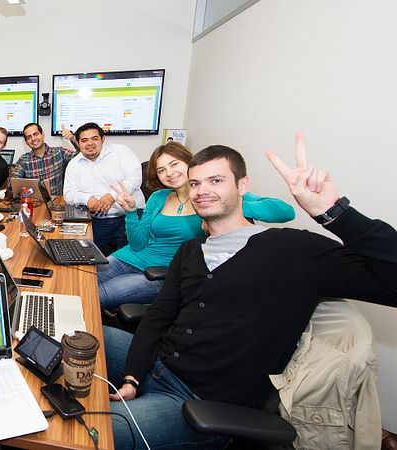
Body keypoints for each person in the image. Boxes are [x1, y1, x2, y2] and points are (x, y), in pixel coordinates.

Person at [102, 136, 397, 449]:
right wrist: (133, 376)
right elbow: (160, 315)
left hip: (199, 405)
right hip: (157, 366)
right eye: (196, 183)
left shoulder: (293, 249)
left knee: (88, 429)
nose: (202, 191)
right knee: (67, 333)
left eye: (216, 180)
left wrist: (334, 213)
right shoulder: (190, 251)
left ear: (242, 186)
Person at [97, 141, 295, 309]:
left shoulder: (212, 197)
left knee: (96, 295)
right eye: (161, 170)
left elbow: (285, 212)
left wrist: (233, 204)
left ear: (189, 163)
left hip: (162, 274)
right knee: (80, 281)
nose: (169, 173)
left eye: (174, 164)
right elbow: (138, 244)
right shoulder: (158, 197)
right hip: (129, 256)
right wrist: (131, 212)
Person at [63, 122, 146, 253]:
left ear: (103, 139)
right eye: (84, 140)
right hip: (97, 220)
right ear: (78, 144)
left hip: (130, 216)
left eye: (94, 138)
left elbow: (135, 178)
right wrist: (86, 199)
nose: (90, 143)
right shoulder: (74, 164)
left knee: (134, 257)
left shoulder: (121, 152)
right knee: (83, 255)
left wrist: (112, 196)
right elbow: (68, 193)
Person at [10, 122, 78, 196]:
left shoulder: (59, 152)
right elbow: (12, 182)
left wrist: (73, 138)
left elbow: (82, 155)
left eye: (35, 134)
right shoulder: (24, 160)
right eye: (29, 137)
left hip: (57, 203)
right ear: (26, 142)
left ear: (43, 134)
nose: (33, 139)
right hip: (35, 203)